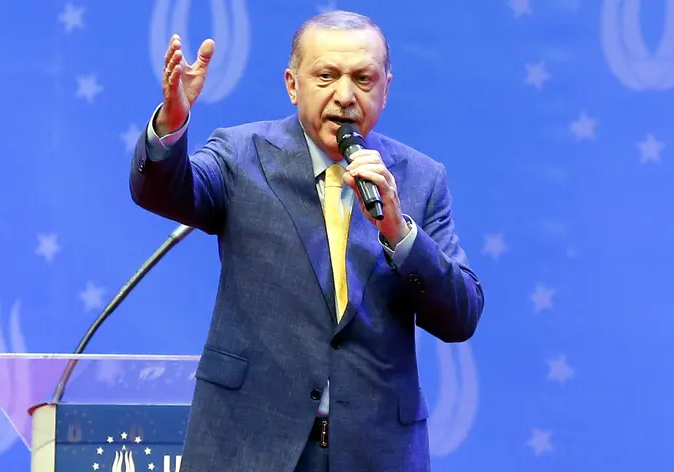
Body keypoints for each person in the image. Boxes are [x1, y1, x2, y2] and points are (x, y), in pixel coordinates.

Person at [129, 9, 484, 472]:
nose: (345, 95)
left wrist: (400, 234)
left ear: (386, 88)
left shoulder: (420, 180)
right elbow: (164, 191)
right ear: (293, 84)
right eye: (326, 76)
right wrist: (172, 123)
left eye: (362, 78)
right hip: (249, 445)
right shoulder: (242, 154)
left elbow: (461, 315)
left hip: (374, 451)